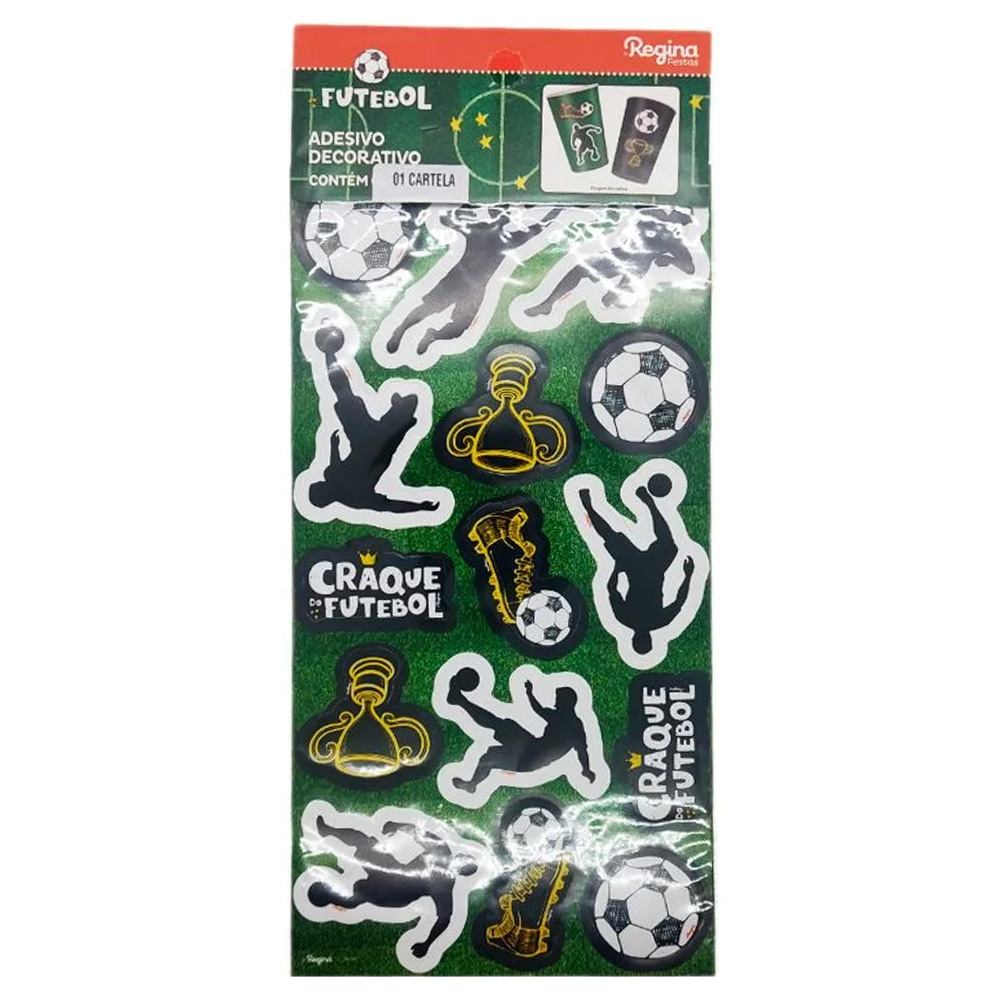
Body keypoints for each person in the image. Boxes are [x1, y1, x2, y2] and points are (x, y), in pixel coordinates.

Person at [307, 817, 477, 961]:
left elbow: (445, 918)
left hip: (395, 892)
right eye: (463, 858)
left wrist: (427, 944)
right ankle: (327, 831)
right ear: (460, 855)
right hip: (392, 874)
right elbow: (419, 833)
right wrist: (396, 825)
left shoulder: (444, 884)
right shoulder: (442, 853)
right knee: (364, 843)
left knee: (362, 892)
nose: (459, 859)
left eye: (463, 863)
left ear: (461, 870)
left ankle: (331, 898)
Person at [578, 480, 695, 655]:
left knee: (666, 544)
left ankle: (646, 504)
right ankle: (592, 506)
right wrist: (617, 568)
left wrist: (688, 575)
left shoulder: (657, 622)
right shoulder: (625, 619)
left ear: (649, 639)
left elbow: (680, 600)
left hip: (649, 569)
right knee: (613, 536)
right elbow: (611, 588)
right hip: (640, 569)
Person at [446, 672, 596, 792]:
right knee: (500, 726)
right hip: (532, 747)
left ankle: (471, 784)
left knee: (490, 754)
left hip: (531, 757)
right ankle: (459, 700)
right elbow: (538, 709)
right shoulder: (560, 716)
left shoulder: (573, 725)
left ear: (567, 702)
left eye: (558, 699)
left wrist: (586, 769)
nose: (555, 702)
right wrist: (529, 693)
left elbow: (582, 750)